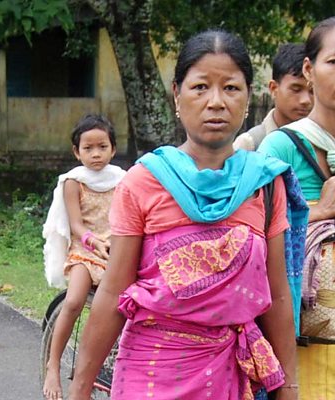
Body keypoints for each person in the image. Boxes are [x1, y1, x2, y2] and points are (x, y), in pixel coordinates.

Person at [68, 30, 309, 400]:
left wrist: (288, 386)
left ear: (248, 97)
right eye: (200, 87)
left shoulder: (265, 183)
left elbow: (277, 297)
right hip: (151, 375)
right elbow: (114, 291)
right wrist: (80, 389)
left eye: (231, 88)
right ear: (177, 95)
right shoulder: (144, 181)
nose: (216, 102)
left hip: (232, 377)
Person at [258, 16, 335, 400]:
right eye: (334, 62)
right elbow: (250, 236)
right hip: (303, 348)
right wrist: (318, 212)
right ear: (308, 69)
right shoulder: (280, 148)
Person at [42, 114, 126, 400]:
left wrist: (115, 243)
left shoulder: (122, 180)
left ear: (113, 149)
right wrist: (93, 241)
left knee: (126, 307)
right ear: (76, 152)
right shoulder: (73, 182)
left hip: (115, 250)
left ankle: (106, 366)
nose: (96, 154)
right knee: (75, 300)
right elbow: (76, 225)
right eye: (88, 148)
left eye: (102, 147)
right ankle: (53, 363)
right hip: (85, 251)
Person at [234, 43, 313, 151]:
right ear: (274, 88)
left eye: (312, 91)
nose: (306, 100)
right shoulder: (251, 144)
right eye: (296, 89)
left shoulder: (323, 142)